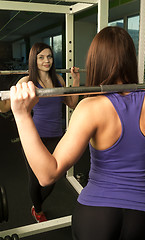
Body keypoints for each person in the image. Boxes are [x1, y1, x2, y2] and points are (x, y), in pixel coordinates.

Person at [10, 26, 145, 240]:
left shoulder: (90, 108)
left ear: (95, 61)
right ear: (131, 58)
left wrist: (22, 115)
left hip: (96, 213)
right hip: (144, 216)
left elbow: (47, 175)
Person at [1, 42, 80, 223]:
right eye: (41, 57)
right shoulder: (27, 81)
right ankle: (37, 209)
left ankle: (37, 204)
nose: (47, 61)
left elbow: (72, 103)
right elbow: (6, 107)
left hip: (56, 136)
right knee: (35, 179)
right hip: (34, 137)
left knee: (52, 179)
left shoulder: (58, 79)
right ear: (33, 60)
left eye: (49, 56)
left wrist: (75, 79)